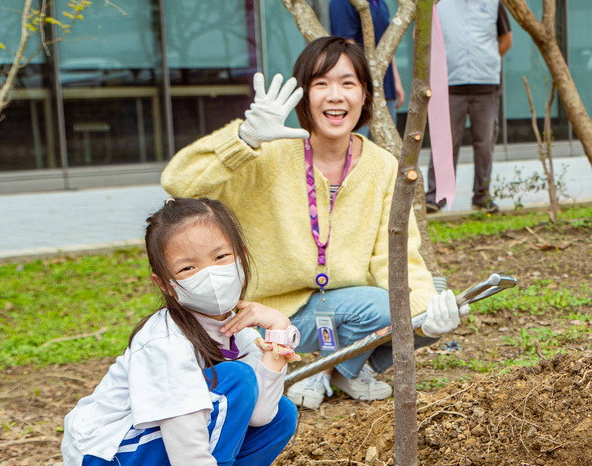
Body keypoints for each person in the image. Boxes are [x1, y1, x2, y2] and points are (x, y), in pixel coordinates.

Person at [162, 36, 466, 411]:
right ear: (304, 97)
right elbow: (179, 182)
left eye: (348, 83)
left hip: (347, 309)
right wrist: (242, 139)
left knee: (411, 306)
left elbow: (397, 256)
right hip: (265, 316)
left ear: (366, 96)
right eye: (321, 84)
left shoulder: (383, 166)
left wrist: (427, 317)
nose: (335, 95)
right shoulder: (267, 157)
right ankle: (319, 370)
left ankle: (331, 371)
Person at [62, 198, 298, 466]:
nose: (210, 274)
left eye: (221, 256)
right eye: (188, 267)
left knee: (283, 413)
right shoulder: (165, 341)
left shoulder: (239, 331)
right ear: (166, 284)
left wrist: (278, 331)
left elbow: (262, 416)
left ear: (242, 255)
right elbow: (187, 446)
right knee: (235, 381)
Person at [425, 0, 512, 214]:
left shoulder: (493, 2)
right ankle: (435, 197)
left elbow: (505, 39)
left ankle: (482, 196)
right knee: (445, 143)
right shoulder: (438, 2)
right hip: (449, 86)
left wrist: (486, 61)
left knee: (484, 143)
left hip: (486, 86)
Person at [328, 0, 404, 130]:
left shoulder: (380, 1)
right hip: (360, 92)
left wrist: (395, 82)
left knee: (386, 152)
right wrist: (359, 85)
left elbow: (388, 44)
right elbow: (347, 46)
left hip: (385, 90)